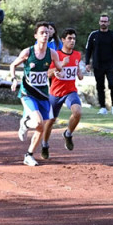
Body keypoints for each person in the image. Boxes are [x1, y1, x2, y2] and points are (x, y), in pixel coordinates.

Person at [6, 22, 61, 166]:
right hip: (27, 93)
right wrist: (14, 80)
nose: (45, 35)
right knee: (37, 122)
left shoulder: (52, 53)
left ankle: (29, 155)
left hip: (43, 94)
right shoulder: (28, 52)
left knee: (41, 127)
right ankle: (24, 123)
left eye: (47, 33)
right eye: (42, 32)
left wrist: (58, 69)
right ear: (35, 35)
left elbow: (59, 67)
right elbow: (13, 65)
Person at [41, 28, 86, 158]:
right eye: (69, 38)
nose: (72, 41)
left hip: (70, 91)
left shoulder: (77, 55)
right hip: (55, 93)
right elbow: (47, 74)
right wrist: (57, 69)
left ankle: (68, 134)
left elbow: (76, 68)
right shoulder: (55, 55)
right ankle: (44, 144)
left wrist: (79, 73)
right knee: (50, 121)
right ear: (63, 40)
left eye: (74, 39)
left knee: (77, 112)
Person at [84, 14, 113, 115]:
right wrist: (87, 63)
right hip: (98, 65)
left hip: (110, 64)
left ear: (108, 23)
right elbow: (88, 50)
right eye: (102, 21)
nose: (103, 23)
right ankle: (102, 107)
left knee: (112, 85)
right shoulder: (93, 35)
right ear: (99, 22)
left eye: (105, 21)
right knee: (100, 86)